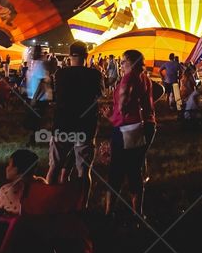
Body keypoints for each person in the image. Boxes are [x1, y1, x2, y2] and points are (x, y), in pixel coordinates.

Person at [46, 42, 103, 209]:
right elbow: (99, 95)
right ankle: (81, 205)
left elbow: (54, 97)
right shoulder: (95, 75)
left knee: (54, 166)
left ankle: (48, 201)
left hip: (63, 124)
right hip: (85, 126)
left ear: (70, 56)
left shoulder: (60, 74)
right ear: (86, 56)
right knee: (84, 171)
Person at [104, 50, 154, 217]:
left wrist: (112, 115)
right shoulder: (144, 77)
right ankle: (138, 214)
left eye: (123, 61)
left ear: (130, 62)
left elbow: (124, 99)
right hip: (146, 125)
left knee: (116, 169)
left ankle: (109, 212)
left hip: (127, 128)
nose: (121, 64)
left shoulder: (128, 77)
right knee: (135, 169)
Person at [0, 149, 46, 216]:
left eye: (9, 165)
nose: (7, 168)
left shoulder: (6, 189)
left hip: (17, 225)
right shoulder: (42, 183)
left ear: (15, 169)